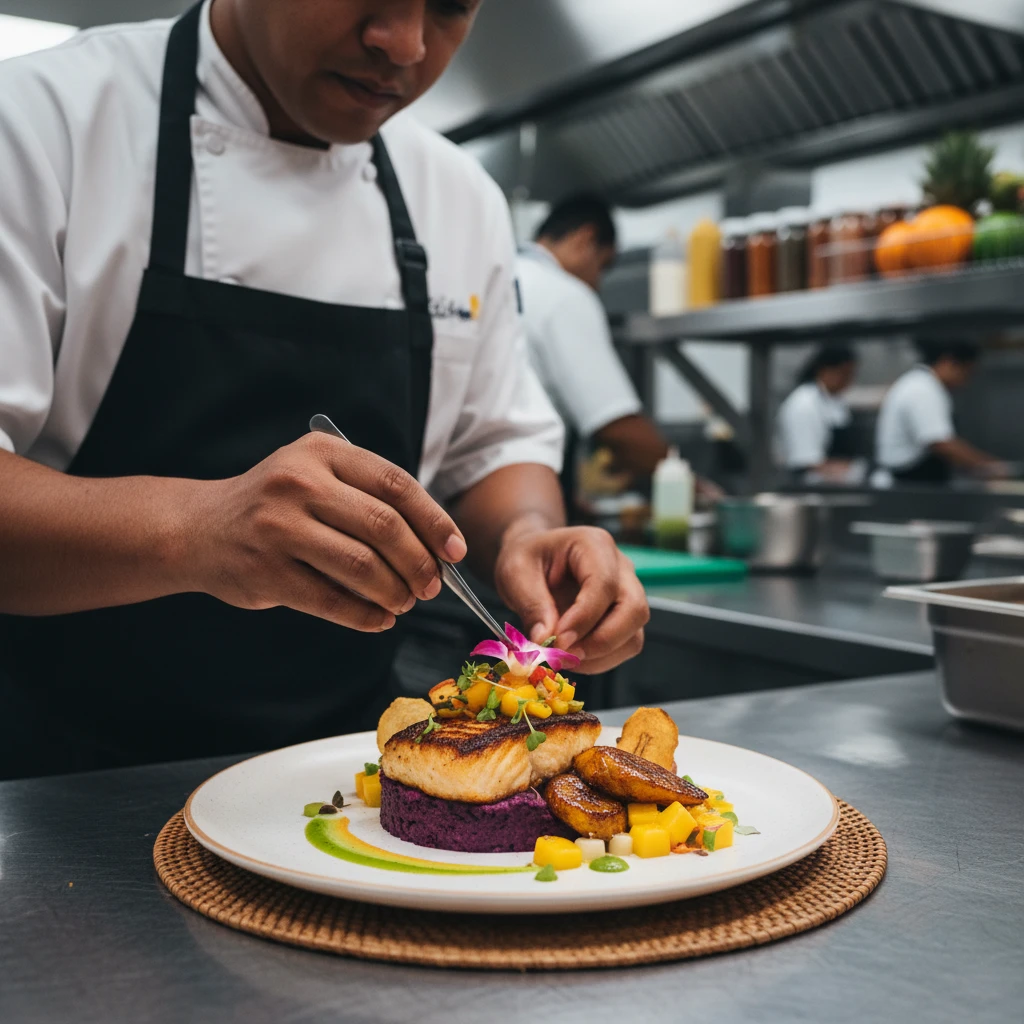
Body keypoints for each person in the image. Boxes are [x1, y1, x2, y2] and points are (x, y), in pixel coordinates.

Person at [0, 0, 648, 780]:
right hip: (60, 791)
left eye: (450, 7)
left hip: (348, 786)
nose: (403, 44)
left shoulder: (458, 196)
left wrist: (529, 534)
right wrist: (197, 528)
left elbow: (493, 443)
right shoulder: (40, 124)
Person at [516, 195, 721, 507]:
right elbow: (616, 427)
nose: (598, 283)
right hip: (523, 489)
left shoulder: (503, 275)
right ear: (586, 241)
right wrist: (692, 486)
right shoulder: (564, 294)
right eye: (603, 266)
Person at [874, 339, 1007, 485]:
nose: (965, 382)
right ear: (949, 362)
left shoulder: (920, 382)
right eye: (966, 373)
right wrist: (990, 467)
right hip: (908, 483)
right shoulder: (923, 389)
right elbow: (941, 443)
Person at [776, 345, 860, 484]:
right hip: (807, 485)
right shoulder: (803, 404)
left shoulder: (835, 401)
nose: (849, 381)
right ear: (825, 370)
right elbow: (806, 462)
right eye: (845, 374)